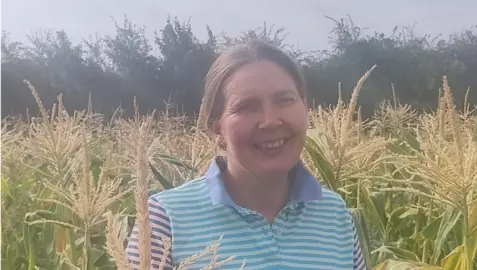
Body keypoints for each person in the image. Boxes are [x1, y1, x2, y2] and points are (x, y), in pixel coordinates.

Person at [127, 40, 366, 270]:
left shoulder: (336, 214)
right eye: (246, 107)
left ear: (305, 109)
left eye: (285, 100)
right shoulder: (164, 221)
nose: (270, 121)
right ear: (215, 128)